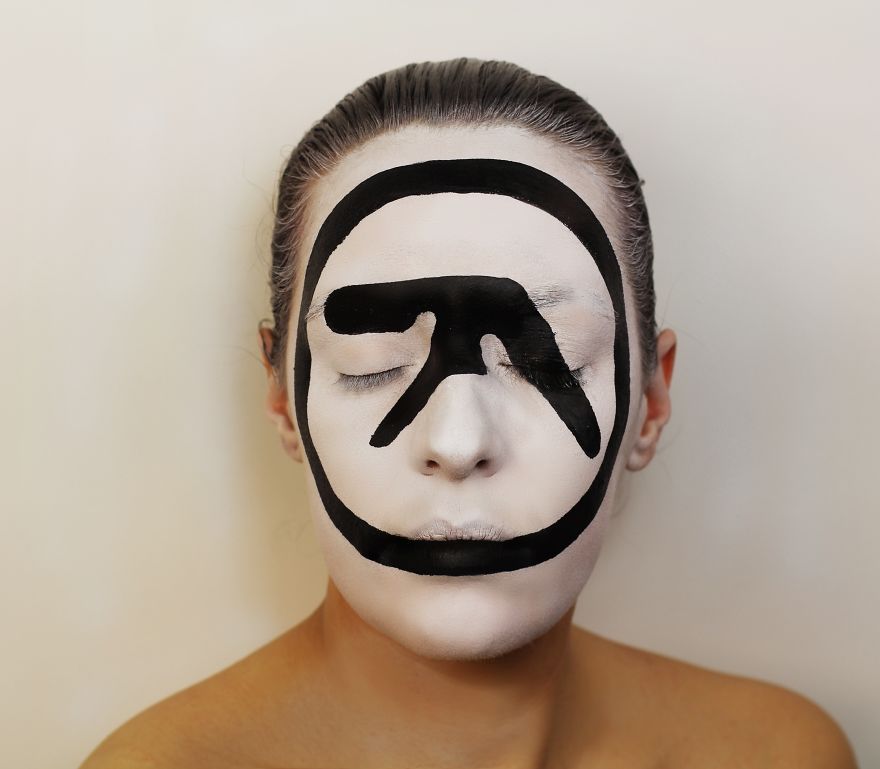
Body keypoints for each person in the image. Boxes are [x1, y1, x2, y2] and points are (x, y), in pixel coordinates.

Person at [81, 58, 857, 769]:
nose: (457, 441)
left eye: (544, 356)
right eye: (373, 363)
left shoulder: (780, 754)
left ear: (650, 401)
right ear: (283, 398)